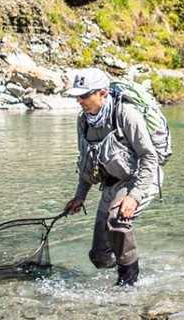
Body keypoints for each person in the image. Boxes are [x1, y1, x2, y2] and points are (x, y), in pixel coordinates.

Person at [63, 67, 161, 286]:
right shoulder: (83, 121)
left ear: (103, 93)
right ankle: (125, 263)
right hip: (111, 184)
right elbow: (86, 162)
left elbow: (149, 158)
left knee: (117, 223)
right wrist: (80, 196)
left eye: (85, 95)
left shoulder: (126, 115)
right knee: (99, 256)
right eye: (78, 96)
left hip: (138, 178)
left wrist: (134, 197)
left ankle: (128, 283)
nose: (80, 101)